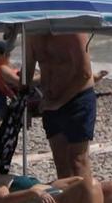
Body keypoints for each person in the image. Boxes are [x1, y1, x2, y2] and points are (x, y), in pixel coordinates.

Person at [25, 31, 98, 183]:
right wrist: (23, 104)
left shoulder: (72, 30)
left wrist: (58, 102)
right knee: (60, 160)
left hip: (78, 99)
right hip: (50, 102)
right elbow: (27, 72)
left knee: (77, 160)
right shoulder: (33, 32)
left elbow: (84, 73)